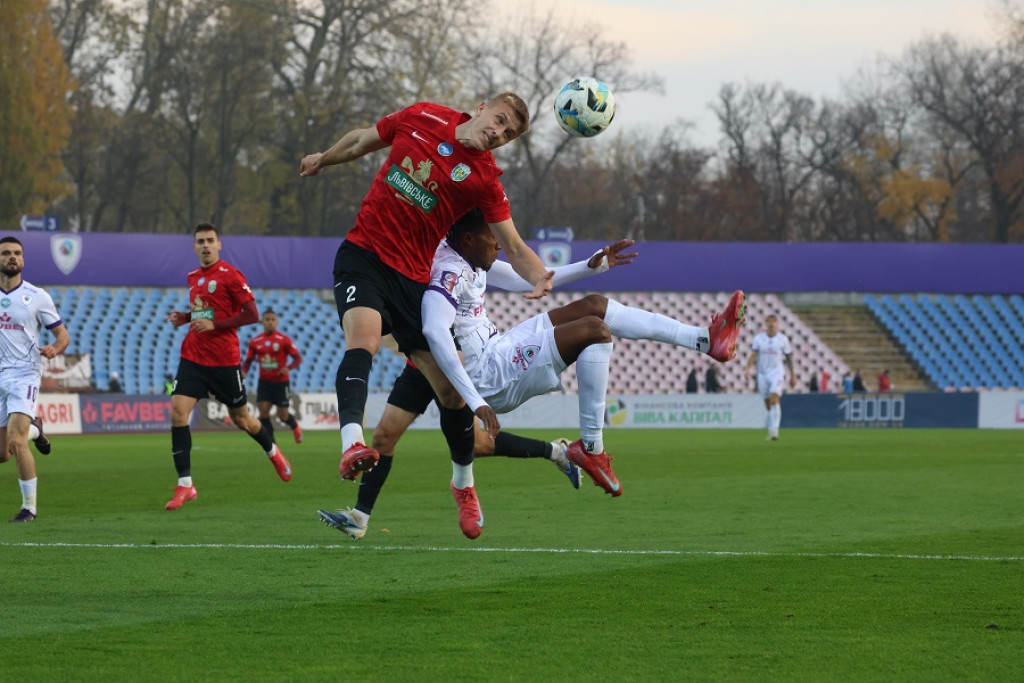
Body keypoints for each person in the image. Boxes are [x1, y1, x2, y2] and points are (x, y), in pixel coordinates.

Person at [320, 211, 743, 538]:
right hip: (489, 372)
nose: (502, 245)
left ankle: (706, 341)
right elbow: (433, 329)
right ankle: (587, 448)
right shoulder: (449, 272)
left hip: (491, 349)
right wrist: (477, 400)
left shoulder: (466, 257)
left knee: (594, 303)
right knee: (597, 332)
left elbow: (530, 281)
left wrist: (591, 266)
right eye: (495, 238)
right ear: (468, 238)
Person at [301, 92, 553, 540]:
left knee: (452, 394)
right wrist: (324, 158)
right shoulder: (422, 116)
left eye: (508, 133)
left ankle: (464, 485)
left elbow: (512, 246)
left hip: (413, 281)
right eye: (498, 121)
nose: (498, 133)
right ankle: (351, 445)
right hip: (363, 255)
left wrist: (541, 277)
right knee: (365, 339)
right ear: (480, 108)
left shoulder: (485, 179)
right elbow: (362, 140)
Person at [321, 359, 581, 540]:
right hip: (419, 366)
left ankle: (557, 452)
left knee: (477, 445)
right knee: (383, 437)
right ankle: (359, 518)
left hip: (452, 367)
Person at [163, 223, 292, 511]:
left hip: (224, 361)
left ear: (219, 244)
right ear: (194, 246)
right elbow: (202, 310)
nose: (206, 245)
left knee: (242, 420)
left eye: (210, 240)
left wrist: (215, 324)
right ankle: (185, 485)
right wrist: (186, 318)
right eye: (201, 241)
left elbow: (252, 314)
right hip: (193, 357)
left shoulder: (231, 275)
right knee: (178, 412)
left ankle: (273, 452)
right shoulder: (193, 277)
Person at [0, 236, 69, 522]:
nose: (11, 257)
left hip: (25, 373)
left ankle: (29, 508)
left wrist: (55, 348)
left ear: (24, 260)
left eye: (17, 253)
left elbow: (62, 335)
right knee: (3, 453)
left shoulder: (37, 296)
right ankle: (36, 429)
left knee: (16, 442)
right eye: (5, 253)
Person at [242, 309, 304, 444]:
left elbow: (298, 359)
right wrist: (244, 371)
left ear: (277, 322)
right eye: (267, 319)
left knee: (283, 416)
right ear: (262, 322)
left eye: (273, 319)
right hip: (264, 382)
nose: (270, 322)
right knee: (263, 412)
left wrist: (288, 368)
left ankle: (294, 426)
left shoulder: (284, 340)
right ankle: (272, 443)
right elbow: (248, 361)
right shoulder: (255, 342)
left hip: (281, 383)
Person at [744, 314, 796, 441]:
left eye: (773, 321)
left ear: (777, 324)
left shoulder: (782, 340)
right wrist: (747, 369)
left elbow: (789, 357)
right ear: (765, 324)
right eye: (769, 321)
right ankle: (770, 429)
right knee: (767, 403)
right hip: (762, 373)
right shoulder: (759, 339)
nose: (771, 324)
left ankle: (774, 431)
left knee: (774, 399)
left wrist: (792, 375)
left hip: (777, 373)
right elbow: (753, 354)